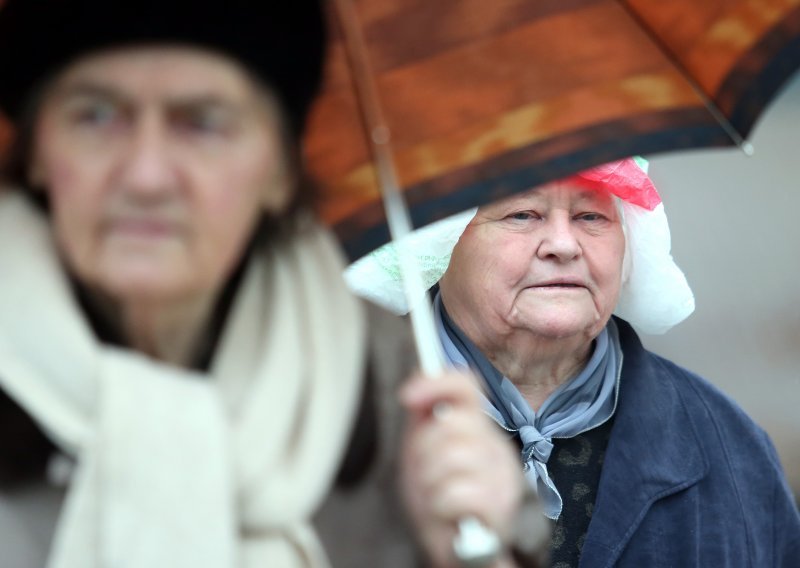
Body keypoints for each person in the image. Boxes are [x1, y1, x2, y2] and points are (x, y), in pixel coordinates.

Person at [0, 1, 529, 566]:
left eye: (202, 122)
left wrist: (471, 552)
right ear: (35, 152)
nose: (146, 175)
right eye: (96, 116)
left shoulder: (386, 377)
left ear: (281, 171)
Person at [347, 158, 800, 566]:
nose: (563, 245)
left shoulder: (727, 446)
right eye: (523, 214)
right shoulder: (342, 430)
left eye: (591, 217)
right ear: (441, 243)